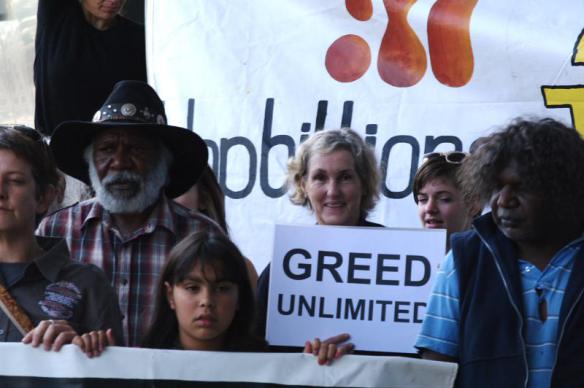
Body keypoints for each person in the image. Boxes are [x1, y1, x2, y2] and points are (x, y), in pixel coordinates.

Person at [36, 80, 218, 346]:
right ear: (90, 161)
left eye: (136, 149)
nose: (120, 162)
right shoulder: (55, 231)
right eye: (107, 149)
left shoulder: (202, 235)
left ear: (163, 161)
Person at [415, 118, 584, 387]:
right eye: (496, 187)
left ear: (564, 190)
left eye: (522, 187)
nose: (504, 200)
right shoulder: (463, 259)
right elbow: (436, 367)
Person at [256, 127, 382, 363]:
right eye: (320, 178)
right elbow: (258, 356)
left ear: (364, 183)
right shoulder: (283, 268)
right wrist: (302, 361)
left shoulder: (400, 256)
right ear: (303, 184)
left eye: (345, 177)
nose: (332, 191)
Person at [0, 125, 123, 357]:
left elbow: (118, 376)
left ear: (45, 197)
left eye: (15, 181)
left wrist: (81, 350)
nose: (0, 191)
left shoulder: (89, 284)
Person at [34, 0, 146, 136]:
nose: (113, 1)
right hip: (55, 149)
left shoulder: (140, 38)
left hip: (112, 150)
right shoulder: (57, 18)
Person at [142, 230, 266, 352]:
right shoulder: (141, 363)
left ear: (240, 296)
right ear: (170, 295)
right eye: (192, 288)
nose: (206, 301)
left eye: (221, 289)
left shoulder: (269, 365)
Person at [174, 166, 259, 289]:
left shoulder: (241, 268)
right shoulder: (140, 257)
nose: (165, 200)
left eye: (177, 189)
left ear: (203, 197)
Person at [412, 151, 481, 251]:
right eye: (423, 199)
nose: (429, 208)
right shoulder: (404, 255)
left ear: (474, 204)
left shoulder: (495, 260)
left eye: (444, 199)